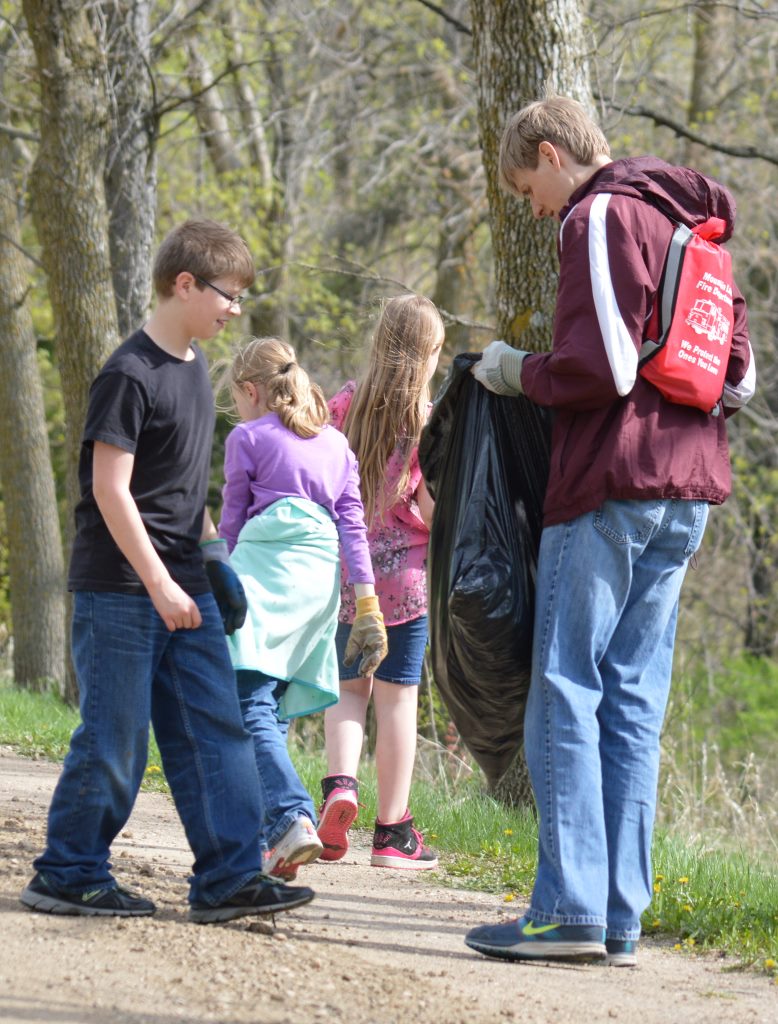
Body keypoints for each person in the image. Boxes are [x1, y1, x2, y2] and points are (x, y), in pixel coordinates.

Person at [465, 96, 755, 965]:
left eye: (528, 187)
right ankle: (621, 918)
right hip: (690, 490)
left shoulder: (597, 215)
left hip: (609, 483)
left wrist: (515, 371)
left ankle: (567, 909)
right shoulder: (697, 232)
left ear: (554, 155)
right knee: (634, 701)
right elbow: (735, 380)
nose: (535, 206)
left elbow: (607, 365)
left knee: (564, 685)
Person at [20, 219, 315, 924]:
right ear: (183, 284)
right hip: (122, 590)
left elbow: (181, 491)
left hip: (185, 581)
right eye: (226, 294)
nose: (235, 309)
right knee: (115, 736)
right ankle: (70, 870)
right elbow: (110, 489)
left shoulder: (193, 369)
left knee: (218, 730)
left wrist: (214, 562)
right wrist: (160, 583)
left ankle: (230, 876)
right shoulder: (128, 373)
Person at [216, 336, 387, 881]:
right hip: (318, 584)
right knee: (272, 703)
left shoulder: (247, 437)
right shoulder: (337, 446)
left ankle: (291, 817)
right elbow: (354, 531)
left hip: (263, 572)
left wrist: (216, 582)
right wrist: (367, 605)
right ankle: (274, 840)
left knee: (249, 701)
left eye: (238, 398)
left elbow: (232, 524)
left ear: (250, 390)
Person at [319, 293, 445, 870]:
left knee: (348, 691)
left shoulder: (343, 403)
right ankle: (394, 835)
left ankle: (339, 787)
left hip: (347, 580)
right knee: (396, 703)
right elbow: (428, 506)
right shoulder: (426, 421)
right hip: (405, 586)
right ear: (425, 355)